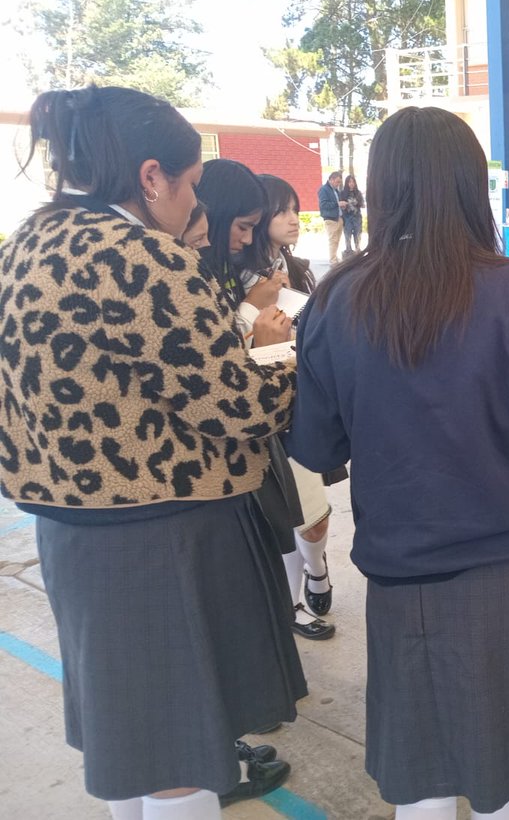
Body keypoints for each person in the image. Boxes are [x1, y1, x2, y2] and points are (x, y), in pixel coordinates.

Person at [1, 85, 304, 819]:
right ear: (150, 177)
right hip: (161, 534)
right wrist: (288, 356)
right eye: (193, 184)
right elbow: (234, 407)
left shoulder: (24, 247)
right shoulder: (144, 259)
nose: (194, 204)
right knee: (180, 752)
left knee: (135, 743)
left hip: (71, 533)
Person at [289, 106, 509, 820]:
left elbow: (315, 449)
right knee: (505, 771)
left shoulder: (336, 300)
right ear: (468, 183)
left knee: (423, 774)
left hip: (407, 573)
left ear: (381, 184)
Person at [247, 173, 341, 641]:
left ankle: (318, 570)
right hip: (262, 414)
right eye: (281, 211)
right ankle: (294, 605)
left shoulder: (299, 267)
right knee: (285, 512)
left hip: (303, 403)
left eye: (295, 209)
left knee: (315, 511)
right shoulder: (230, 278)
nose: (293, 220)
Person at [196, 159, 291, 348]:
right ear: (216, 215)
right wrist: (252, 304)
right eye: (243, 227)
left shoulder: (226, 263)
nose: (248, 239)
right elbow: (221, 352)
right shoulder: (193, 273)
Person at [317, 170, 346, 266]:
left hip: (338, 217)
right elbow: (323, 204)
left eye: (339, 182)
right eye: (337, 182)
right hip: (330, 219)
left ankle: (334, 256)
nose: (338, 184)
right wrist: (337, 204)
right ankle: (332, 260)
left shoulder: (335, 191)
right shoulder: (324, 190)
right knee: (333, 240)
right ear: (331, 180)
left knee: (337, 240)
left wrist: (341, 205)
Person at [340, 173, 364, 256]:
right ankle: (348, 251)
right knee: (347, 234)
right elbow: (340, 205)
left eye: (353, 182)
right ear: (346, 183)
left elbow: (362, 204)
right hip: (347, 217)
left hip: (357, 217)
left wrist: (357, 202)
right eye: (349, 182)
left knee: (357, 234)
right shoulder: (343, 193)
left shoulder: (358, 193)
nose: (351, 183)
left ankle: (358, 251)